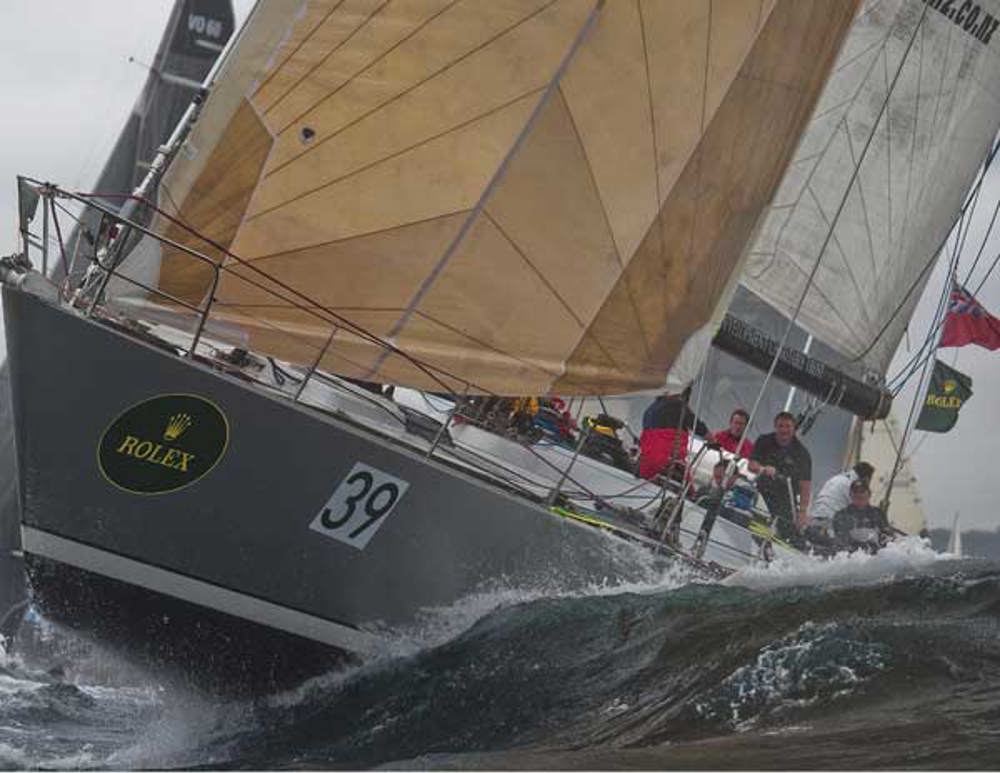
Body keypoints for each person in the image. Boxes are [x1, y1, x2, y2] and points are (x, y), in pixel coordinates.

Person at [748, 411, 812, 542]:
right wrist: (763, 468)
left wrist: (803, 512)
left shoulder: (802, 454)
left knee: (788, 534)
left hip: (786, 499)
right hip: (763, 492)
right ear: (775, 427)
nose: (784, 430)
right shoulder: (764, 441)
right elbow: (752, 465)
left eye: (788, 426)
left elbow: (805, 485)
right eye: (781, 426)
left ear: (794, 428)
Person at [639, 387, 709, 481]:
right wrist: (715, 441)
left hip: (645, 467)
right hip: (666, 467)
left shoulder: (650, 409)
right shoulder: (679, 407)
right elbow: (701, 429)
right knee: (690, 492)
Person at [832, 480, 892, 552]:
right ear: (850, 495)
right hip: (853, 555)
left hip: (875, 554)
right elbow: (841, 539)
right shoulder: (841, 515)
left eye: (862, 491)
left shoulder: (878, 513)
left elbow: (886, 534)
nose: (859, 495)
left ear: (869, 494)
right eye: (855, 492)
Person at [810, 462, 875, 524]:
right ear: (866, 479)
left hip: (814, 517)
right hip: (830, 520)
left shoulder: (836, 478)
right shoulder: (853, 485)